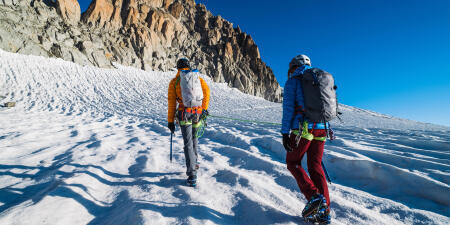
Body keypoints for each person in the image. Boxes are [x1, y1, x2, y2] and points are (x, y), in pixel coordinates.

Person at [281, 54, 331, 224]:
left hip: (303, 128)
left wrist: (284, 133)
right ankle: (324, 212)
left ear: (294, 66)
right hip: (322, 129)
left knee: (293, 163)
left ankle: (315, 198)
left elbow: (288, 110)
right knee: (315, 167)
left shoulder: (293, 81)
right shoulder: (319, 79)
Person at [167, 58, 210, 187]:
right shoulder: (197, 78)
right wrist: (204, 109)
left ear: (178, 67)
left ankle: (192, 174)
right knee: (194, 138)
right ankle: (194, 163)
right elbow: (207, 92)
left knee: (188, 143)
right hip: (197, 113)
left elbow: (171, 103)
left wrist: (170, 121)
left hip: (183, 114)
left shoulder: (175, 82)